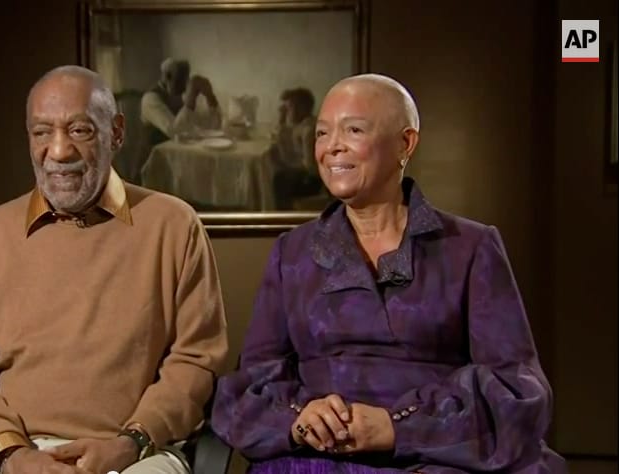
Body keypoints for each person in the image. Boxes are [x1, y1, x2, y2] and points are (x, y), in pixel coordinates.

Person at [212, 73, 566, 473]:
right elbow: (252, 382)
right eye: (322, 133)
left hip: (438, 455)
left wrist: (397, 427)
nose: (332, 148)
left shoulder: (471, 247)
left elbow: (516, 389)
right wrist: (301, 417)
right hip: (317, 458)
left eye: (354, 130)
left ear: (406, 143)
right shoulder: (291, 253)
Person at [0, 65, 229, 474]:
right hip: (5, 454)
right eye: (42, 132)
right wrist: (12, 453)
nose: (59, 151)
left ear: (116, 132)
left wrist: (131, 442)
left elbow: (196, 361)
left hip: (136, 453)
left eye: (79, 130)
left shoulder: (174, 225)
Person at [140, 58, 222, 148]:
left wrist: (210, 97)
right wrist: (191, 98)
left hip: (179, 151)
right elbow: (176, 133)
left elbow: (211, 126)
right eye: (180, 80)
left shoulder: (180, 95)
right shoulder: (150, 99)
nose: (185, 85)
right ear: (168, 77)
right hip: (157, 156)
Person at [271, 87, 323, 210]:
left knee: (280, 180)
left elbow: (310, 167)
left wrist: (289, 165)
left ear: (302, 108)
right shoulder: (300, 125)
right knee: (277, 173)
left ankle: (282, 217)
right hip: (305, 172)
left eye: (289, 108)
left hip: (313, 180)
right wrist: (282, 120)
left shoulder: (308, 130)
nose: (286, 112)